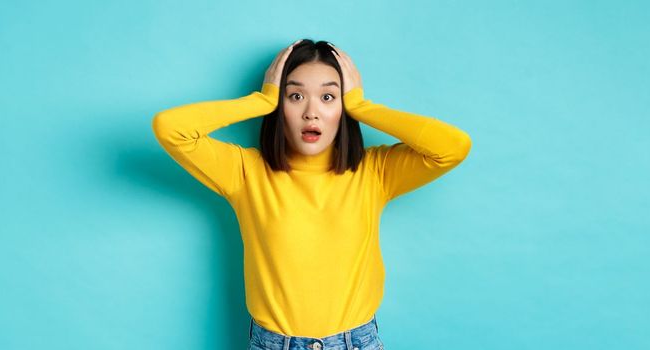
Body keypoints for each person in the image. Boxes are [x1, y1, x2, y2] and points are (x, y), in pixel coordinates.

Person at [152, 39, 471, 350]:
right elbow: (170, 128)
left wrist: (361, 106)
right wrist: (261, 102)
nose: (311, 112)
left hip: (355, 343)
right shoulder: (246, 172)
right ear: (280, 104)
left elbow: (453, 147)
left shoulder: (374, 171)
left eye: (329, 97)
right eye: (295, 96)